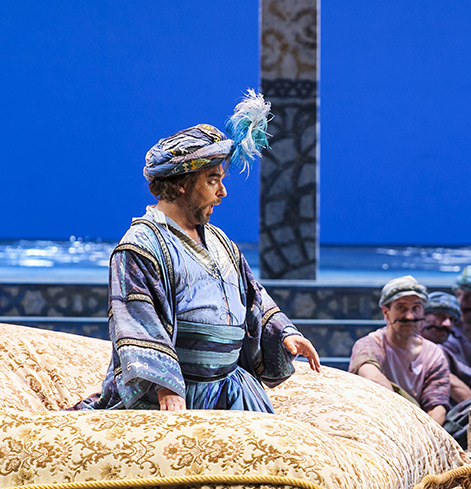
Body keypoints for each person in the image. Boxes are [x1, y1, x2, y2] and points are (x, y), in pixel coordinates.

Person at [73, 91, 321, 413]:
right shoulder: (140, 247)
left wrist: (284, 333)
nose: (223, 192)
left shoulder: (221, 241)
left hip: (232, 389)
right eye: (212, 180)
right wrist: (165, 385)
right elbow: (136, 318)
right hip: (177, 393)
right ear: (180, 184)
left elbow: (253, 296)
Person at [349, 276, 470, 446]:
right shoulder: (370, 344)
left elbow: (436, 405)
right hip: (379, 424)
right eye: (401, 308)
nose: (410, 316)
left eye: (416, 308)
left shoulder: (434, 354)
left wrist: (419, 439)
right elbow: (371, 375)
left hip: (420, 430)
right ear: (386, 312)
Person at [421, 291, 471, 403]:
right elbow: (451, 382)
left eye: (452, 319)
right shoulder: (412, 347)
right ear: (421, 316)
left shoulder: (441, 351)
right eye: (440, 316)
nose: (447, 324)